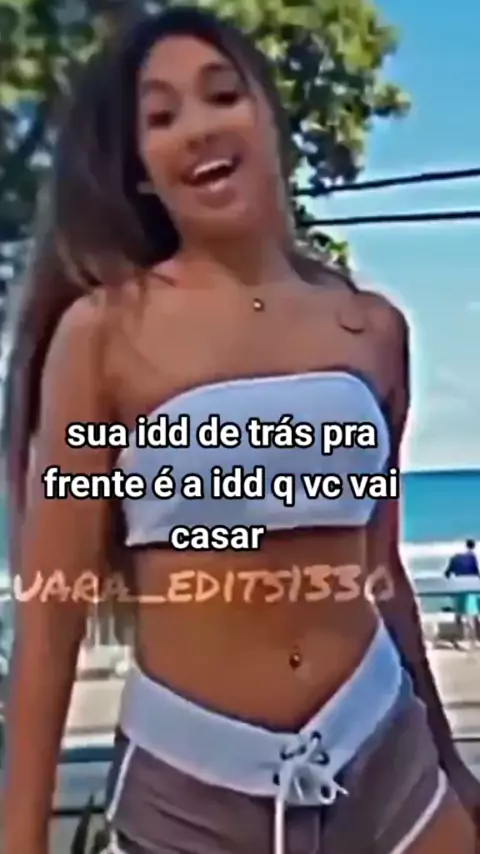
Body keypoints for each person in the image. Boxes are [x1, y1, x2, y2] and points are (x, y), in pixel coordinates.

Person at [3, 6, 480, 854]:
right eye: (162, 116)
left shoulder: (372, 329)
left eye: (223, 95)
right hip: (193, 795)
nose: (197, 127)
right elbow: (52, 616)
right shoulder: (102, 335)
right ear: (141, 171)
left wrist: (449, 760)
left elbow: (379, 571)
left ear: (267, 120)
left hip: (389, 762)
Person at [445, 539, 480, 643]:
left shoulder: (456, 557)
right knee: (471, 614)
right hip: (471, 587)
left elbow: (447, 573)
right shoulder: (472, 557)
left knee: (459, 614)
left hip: (458, 586)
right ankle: (472, 640)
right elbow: (476, 573)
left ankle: (460, 638)